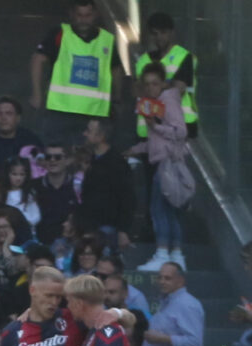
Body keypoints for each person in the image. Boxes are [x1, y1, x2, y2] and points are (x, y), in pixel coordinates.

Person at [31, 0, 123, 144]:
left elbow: (116, 69)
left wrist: (117, 96)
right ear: (71, 14)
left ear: (96, 15)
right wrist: (36, 94)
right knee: (58, 155)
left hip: (94, 112)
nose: (83, 20)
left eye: (88, 15)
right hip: (61, 111)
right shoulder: (60, 34)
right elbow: (38, 59)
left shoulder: (107, 40)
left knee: (88, 159)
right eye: (79, 15)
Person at [127, 62, 188, 272]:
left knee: (158, 209)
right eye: (147, 85)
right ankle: (177, 256)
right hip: (167, 160)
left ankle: (163, 253)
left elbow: (180, 132)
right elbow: (157, 140)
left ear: (163, 83)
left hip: (167, 164)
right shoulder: (158, 103)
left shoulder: (167, 102)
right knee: (170, 211)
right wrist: (137, 149)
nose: (150, 88)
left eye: (155, 83)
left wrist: (155, 126)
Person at [135, 12, 199, 140]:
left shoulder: (184, 57)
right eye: (155, 33)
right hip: (148, 129)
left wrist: (150, 87)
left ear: (171, 32)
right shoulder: (143, 60)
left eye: (163, 32)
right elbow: (136, 90)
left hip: (179, 126)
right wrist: (165, 85)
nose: (159, 37)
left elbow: (177, 90)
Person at [75, 118, 134, 250]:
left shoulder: (116, 163)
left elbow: (127, 198)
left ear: (101, 136)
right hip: (89, 226)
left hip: (107, 228)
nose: (85, 134)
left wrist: (123, 230)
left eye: (89, 131)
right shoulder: (91, 160)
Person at [34, 142, 78, 246]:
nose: (52, 160)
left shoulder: (78, 185)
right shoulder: (34, 186)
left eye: (57, 157)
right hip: (41, 242)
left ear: (67, 161)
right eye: (48, 157)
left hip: (72, 242)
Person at [3, 156, 41, 233]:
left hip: (27, 232)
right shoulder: (3, 194)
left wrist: (26, 222)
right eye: (14, 174)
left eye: (22, 174)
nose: (18, 178)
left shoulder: (29, 194)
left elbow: (36, 215)